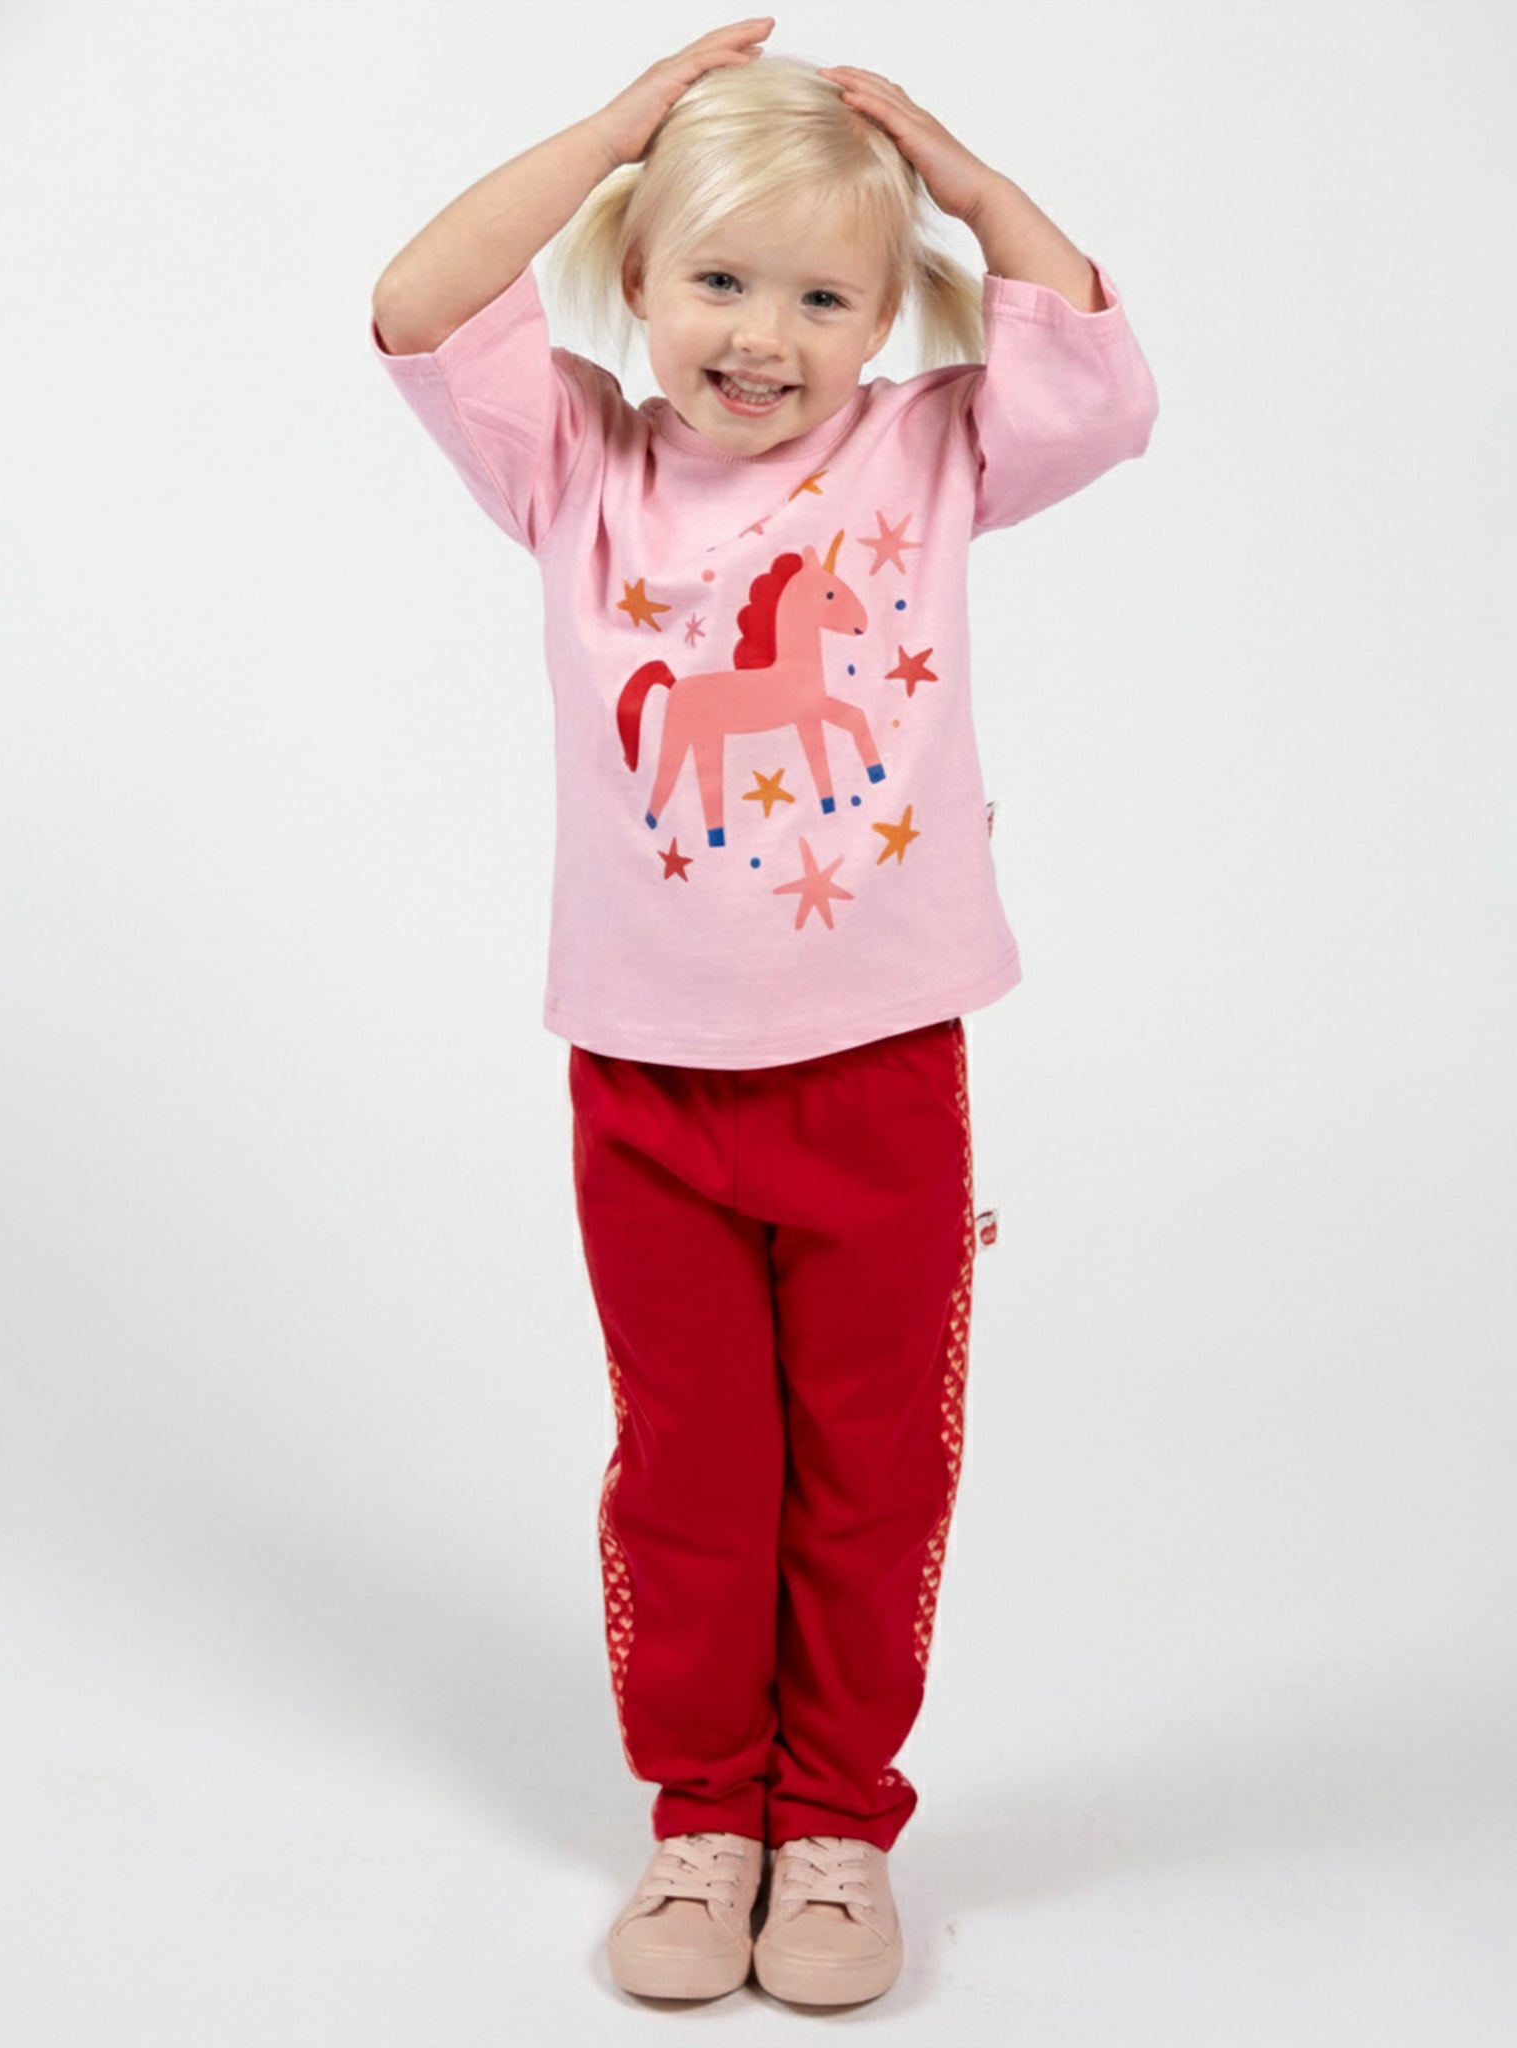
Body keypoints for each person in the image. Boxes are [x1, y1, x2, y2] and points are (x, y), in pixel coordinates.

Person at [370, 15, 1157, 2008]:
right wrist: (623, 130)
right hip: (643, 1078)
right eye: (717, 277)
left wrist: (963, 187)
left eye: (825, 295)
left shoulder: (925, 450)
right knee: (693, 1468)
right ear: (632, 280)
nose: (761, 334)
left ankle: (835, 1823)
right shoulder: (576, 464)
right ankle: (701, 1812)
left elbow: (1092, 360)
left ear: (892, 323)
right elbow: (407, 300)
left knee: (871, 1469)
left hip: (886, 1076)